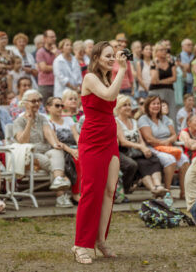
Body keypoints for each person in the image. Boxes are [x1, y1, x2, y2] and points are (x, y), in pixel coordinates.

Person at [72, 41, 127, 264]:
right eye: (108, 56)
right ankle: (80, 245)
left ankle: (100, 240)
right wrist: (122, 69)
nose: (112, 59)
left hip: (109, 138)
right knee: (91, 191)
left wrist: (117, 71)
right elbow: (107, 96)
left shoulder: (106, 77)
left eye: (113, 56)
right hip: (93, 140)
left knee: (109, 191)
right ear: (96, 58)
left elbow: (111, 101)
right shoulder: (90, 78)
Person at [14, 90, 72, 207]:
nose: (36, 103)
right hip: (30, 153)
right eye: (33, 101)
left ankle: (58, 183)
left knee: (57, 151)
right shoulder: (19, 121)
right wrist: (29, 122)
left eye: (38, 101)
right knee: (52, 164)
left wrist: (54, 144)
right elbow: (22, 141)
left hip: (45, 150)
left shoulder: (42, 118)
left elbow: (47, 132)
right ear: (25, 103)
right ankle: (61, 194)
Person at [115, 95, 167, 198]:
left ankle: (157, 186)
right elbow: (123, 142)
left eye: (129, 105)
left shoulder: (134, 121)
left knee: (153, 159)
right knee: (135, 164)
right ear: (119, 108)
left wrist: (145, 148)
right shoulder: (116, 121)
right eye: (124, 105)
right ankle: (131, 188)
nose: (128, 107)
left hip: (136, 151)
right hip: (124, 151)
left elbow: (140, 139)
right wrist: (141, 147)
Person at [138, 95, 190, 196]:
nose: (156, 106)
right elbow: (149, 139)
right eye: (153, 104)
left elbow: (174, 135)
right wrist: (163, 142)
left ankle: (183, 192)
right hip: (152, 148)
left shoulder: (164, 118)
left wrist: (167, 141)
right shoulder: (143, 119)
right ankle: (167, 191)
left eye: (158, 104)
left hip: (168, 146)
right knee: (170, 160)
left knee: (185, 160)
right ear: (148, 106)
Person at [46, 97, 81, 205]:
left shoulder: (68, 120)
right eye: (57, 105)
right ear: (48, 108)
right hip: (61, 150)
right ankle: (76, 194)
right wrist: (71, 151)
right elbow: (57, 142)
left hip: (74, 148)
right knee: (77, 160)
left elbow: (76, 136)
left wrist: (81, 147)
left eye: (62, 105)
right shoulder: (48, 122)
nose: (60, 108)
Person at [149, 41, 178, 121]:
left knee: (171, 113)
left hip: (169, 91)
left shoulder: (171, 62)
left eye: (165, 50)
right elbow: (154, 81)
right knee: (157, 114)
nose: (164, 52)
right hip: (156, 92)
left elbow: (174, 78)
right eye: (161, 50)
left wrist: (160, 81)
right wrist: (157, 67)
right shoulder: (153, 63)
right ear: (156, 52)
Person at [0, 31, 15, 105]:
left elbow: (14, 66)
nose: (4, 40)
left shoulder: (11, 52)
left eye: (6, 38)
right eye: (2, 39)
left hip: (10, 80)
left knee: (10, 100)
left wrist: (3, 66)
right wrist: (8, 66)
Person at [36, 29, 58, 105]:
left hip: (56, 83)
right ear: (45, 38)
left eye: (55, 37)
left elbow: (62, 66)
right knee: (45, 106)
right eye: (51, 37)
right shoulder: (40, 52)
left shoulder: (57, 52)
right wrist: (57, 67)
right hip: (45, 85)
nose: (54, 39)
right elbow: (44, 68)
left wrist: (56, 54)